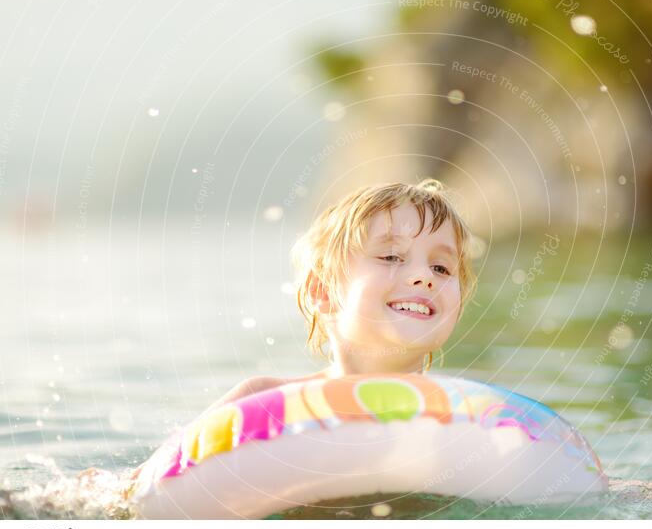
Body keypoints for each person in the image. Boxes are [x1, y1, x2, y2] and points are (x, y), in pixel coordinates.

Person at [127, 179, 477, 486]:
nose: (424, 276)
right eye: (390, 256)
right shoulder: (262, 399)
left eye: (442, 267)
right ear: (323, 292)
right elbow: (146, 484)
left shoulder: (465, 418)